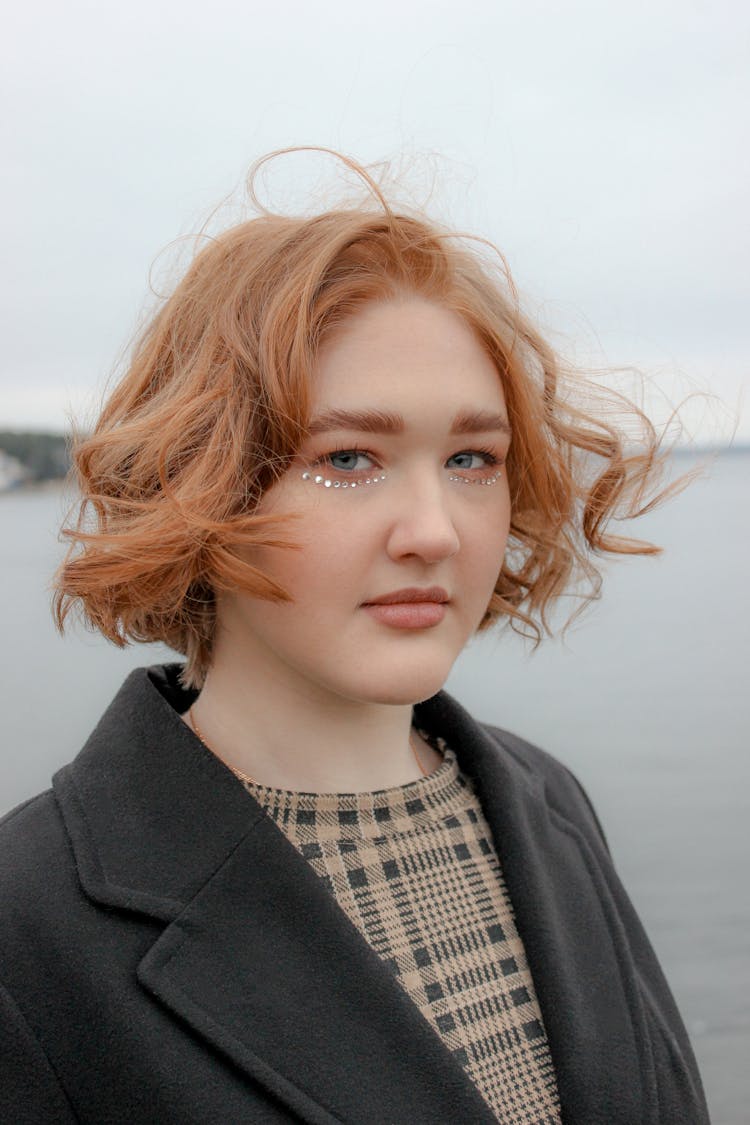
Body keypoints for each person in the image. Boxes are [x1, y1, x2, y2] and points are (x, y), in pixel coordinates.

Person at [0, 152, 709, 1124]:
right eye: (347, 458)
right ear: (201, 482)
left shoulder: (547, 801)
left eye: (471, 457)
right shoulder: (28, 922)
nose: (433, 530)